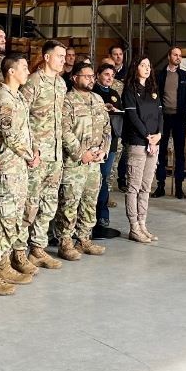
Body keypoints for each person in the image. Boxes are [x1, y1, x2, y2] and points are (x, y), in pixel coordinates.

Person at [0, 52, 39, 294]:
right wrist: (29, 154)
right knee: (1, 218)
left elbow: (26, 130)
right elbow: (10, 135)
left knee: (14, 219)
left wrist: (33, 150)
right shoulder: (3, 97)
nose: (27, 71)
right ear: (11, 71)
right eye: (24, 67)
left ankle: (3, 263)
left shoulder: (19, 97)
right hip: (7, 166)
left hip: (20, 164)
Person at [20, 40, 68, 269]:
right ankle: (18, 251)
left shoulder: (61, 84)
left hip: (56, 155)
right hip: (37, 155)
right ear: (47, 57)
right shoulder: (32, 82)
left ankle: (37, 249)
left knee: (49, 203)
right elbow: (21, 117)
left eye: (64, 56)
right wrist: (30, 150)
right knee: (30, 203)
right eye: (59, 55)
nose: (63, 59)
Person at [56, 62, 111, 257]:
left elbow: (107, 127)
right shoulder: (67, 101)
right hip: (74, 163)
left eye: (92, 76)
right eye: (86, 76)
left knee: (90, 202)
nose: (90, 79)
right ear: (74, 78)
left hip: (95, 162)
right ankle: (65, 243)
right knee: (69, 204)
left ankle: (84, 239)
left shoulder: (97, 99)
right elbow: (64, 130)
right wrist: (81, 153)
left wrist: (104, 149)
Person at [122, 57, 162, 243]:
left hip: (154, 144)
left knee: (146, 187)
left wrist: (159, 135)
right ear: (135, 67)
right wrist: (148, 136)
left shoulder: (153, 90)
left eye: (149, 65)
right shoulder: (130, 90)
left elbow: (160, 114)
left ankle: (143, 224)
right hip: (139, 142)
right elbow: (132, 116)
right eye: (143, 65)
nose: (147, 68)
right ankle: (134, 227)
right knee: (134, 187)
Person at [154, 47, 186, 200]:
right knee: (161, 152)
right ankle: (161, 185)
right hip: (163, 118)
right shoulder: (159, 75)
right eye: (175, 55)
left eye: (180, 55)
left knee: (179, 154)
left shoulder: (185, 76)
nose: (178, 57)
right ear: (169, 56)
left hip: (179, 118)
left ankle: (179, 187)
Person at [92, 63, 123, 238]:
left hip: (110, 143)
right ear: (98, 75)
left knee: (104, 179)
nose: (109, 78)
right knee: (93, 181)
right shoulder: (92, 91)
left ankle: (102, 216)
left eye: (112, 75)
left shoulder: (114, 94)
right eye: (106, 74)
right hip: (93, 143)